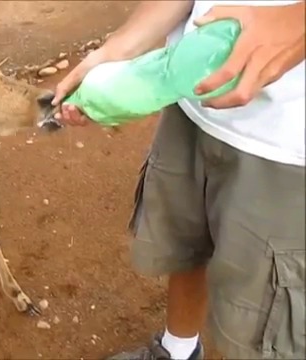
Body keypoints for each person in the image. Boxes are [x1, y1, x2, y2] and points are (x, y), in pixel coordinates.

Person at [52, 1, 305, 359]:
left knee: (273, 312)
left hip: (287, 138)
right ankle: (178, 350)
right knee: (188, 244)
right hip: (189, 93)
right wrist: (119, 48)